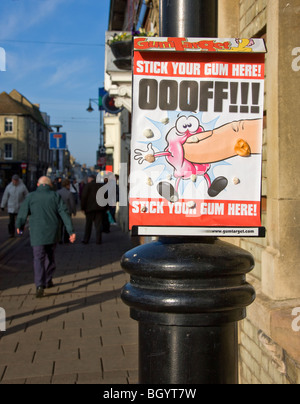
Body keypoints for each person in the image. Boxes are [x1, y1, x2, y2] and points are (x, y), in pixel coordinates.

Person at [16, 176, 76, 298]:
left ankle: (39, 284)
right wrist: (71, 231)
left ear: (38, 185)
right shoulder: (55, 196)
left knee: (38, 258)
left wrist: (19, 226)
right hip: (52, 232)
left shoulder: (31, 196)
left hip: (37, 233)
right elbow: (64, 213)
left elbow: (22, 213)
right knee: (50, 256)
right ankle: (48, 280)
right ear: (50, 185)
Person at [81, 175, 107, 245]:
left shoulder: (88, 186)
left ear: (90, 179)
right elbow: (106, 197)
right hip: (99, 209)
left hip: (89, 209)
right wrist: (105, 208)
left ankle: (86, 239)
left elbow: (84, 197)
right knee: (98, 225)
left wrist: (82, 208)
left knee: (88, 225)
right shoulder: (101, 186)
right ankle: (98, 240)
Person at [57, 179, 76, 244]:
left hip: (59, 211)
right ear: (68, 185)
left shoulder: (58, 192)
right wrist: (74, 211)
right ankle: (66, 239)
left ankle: (59, 239)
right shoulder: (69, 193)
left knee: (60, 226)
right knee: (67, 225)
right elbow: (72, 203)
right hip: (67, 211)